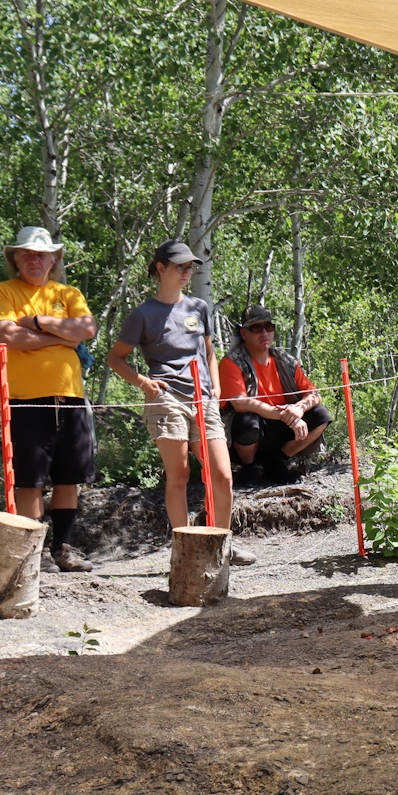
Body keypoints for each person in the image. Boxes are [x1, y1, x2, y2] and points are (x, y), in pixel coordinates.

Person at [106, 240, 255, 565]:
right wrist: (143, 382)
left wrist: (216, 386)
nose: (187, 272)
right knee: (179, 474)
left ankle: (222, 545)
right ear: (160, 268)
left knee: (222, 474)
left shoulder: (199, 307)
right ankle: (185, 548)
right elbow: (115, 358)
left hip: (204, 398)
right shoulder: (142, 314)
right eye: (180, 266)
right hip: (166, 399)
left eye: (190, 267)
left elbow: (209, 352)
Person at [0, 226, 98, 572]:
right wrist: (62, 336)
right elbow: (8, 336)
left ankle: (62, 548)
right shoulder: (3, 291)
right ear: (15, 259)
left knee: (68, 477)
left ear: (53, 259)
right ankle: (33, 553)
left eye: (41, 254)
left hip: (70, 396)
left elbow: (87, 329)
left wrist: (36, 321)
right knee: (30, 479)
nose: (34, 259)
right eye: (27, 254)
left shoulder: (69, 293)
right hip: (25, 399)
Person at [218, 306, 330, 484]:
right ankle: (249, 468)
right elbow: (240, 403)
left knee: (321, 415)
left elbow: (314, 394)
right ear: (244, 333)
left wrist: (299, 409)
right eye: (256, 328)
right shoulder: (231, 362)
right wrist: (286, 415)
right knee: (246, 422)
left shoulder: (285, 360)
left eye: (268, 327)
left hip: (281, 429)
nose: (264, 333)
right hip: (250, 433)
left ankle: (276, 463)